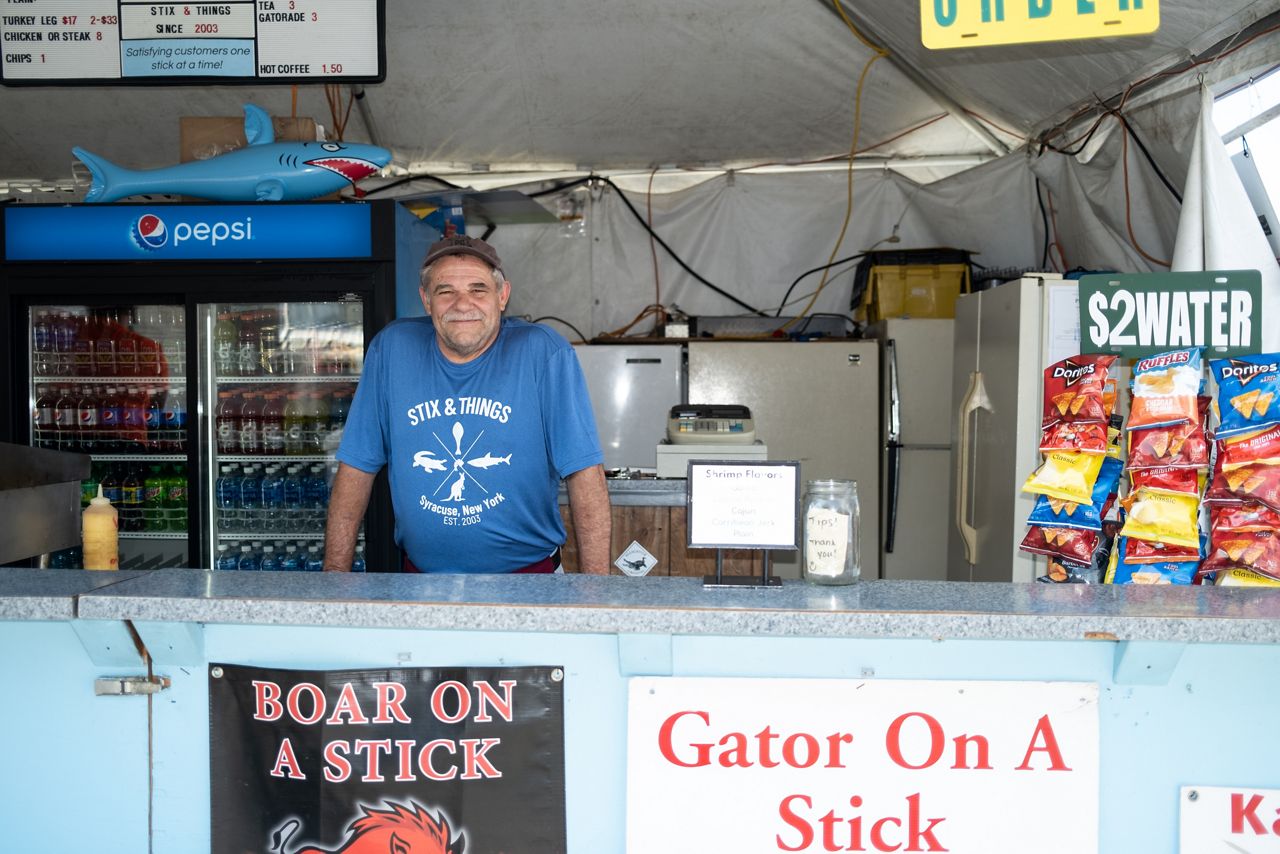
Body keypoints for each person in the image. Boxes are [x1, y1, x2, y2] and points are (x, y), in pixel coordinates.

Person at [324, 234, 611, 574]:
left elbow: (584, 474)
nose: (463, 304)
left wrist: (596, 593)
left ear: (502, 296)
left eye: (478, 289)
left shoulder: (543, 353)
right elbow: (357, 467)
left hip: (530, 580)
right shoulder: (392, 350)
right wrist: (335, 578)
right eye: (446, 291)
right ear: (426, 299)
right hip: (420, 583)